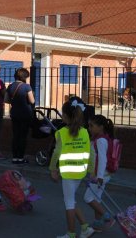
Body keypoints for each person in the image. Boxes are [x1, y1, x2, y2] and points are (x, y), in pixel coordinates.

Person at [49, 100, 95, 238]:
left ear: (66, 116)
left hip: (68, 173)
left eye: (62, 113)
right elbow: (91, 153)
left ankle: (71, 233)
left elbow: (56, 153)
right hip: (80, 171)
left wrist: (52, 169)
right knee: (71, 200)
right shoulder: (85, 132)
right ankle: (85, 227)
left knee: (69, 203)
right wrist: (91, 171)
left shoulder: (61, 133)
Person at [83, 115, 115, 232]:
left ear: (101, 127)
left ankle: (108, 217)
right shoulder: (100, 138)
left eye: (92, 126)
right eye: (89, 125)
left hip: (100, 176)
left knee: (87, 198)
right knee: (97, 199)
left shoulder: (101, 141)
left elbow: (102, 159)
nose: (89, 128)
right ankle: (97, 224)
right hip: (103, 175)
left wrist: (99, 177)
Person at [5, 68, 35, 164]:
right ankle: (20, 158)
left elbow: (6, 100)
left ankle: (15, 157)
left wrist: (14, 102)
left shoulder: (10, 86)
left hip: (14, 113)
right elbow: (32, 101)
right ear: (24, 77)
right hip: (25, 114)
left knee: (15, 136)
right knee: (23, 136)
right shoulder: (27, 87)